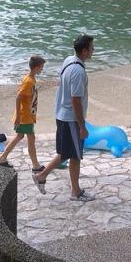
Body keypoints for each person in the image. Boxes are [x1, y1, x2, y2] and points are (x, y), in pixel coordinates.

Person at [33, 35, 94, 201]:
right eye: (91, 48)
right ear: (84, 51)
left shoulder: (68, 60)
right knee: (75, 156)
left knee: (67, 152)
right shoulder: (78, 71)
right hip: (70, 119)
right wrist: (82, 126)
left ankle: (41, 176)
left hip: (61, 114)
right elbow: (75, 100)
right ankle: (76, 192)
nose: (93, 50)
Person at [0, 56, 46, 171]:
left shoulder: (30, 79)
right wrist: (18, 117)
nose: (42, 69)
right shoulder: (28, 81)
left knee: (21, 136)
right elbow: (18, 98)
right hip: (25, 116)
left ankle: (2, 159)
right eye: (42, 67)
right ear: (36, 68)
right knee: (29, 138)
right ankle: (35, 165)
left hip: (28, 115)